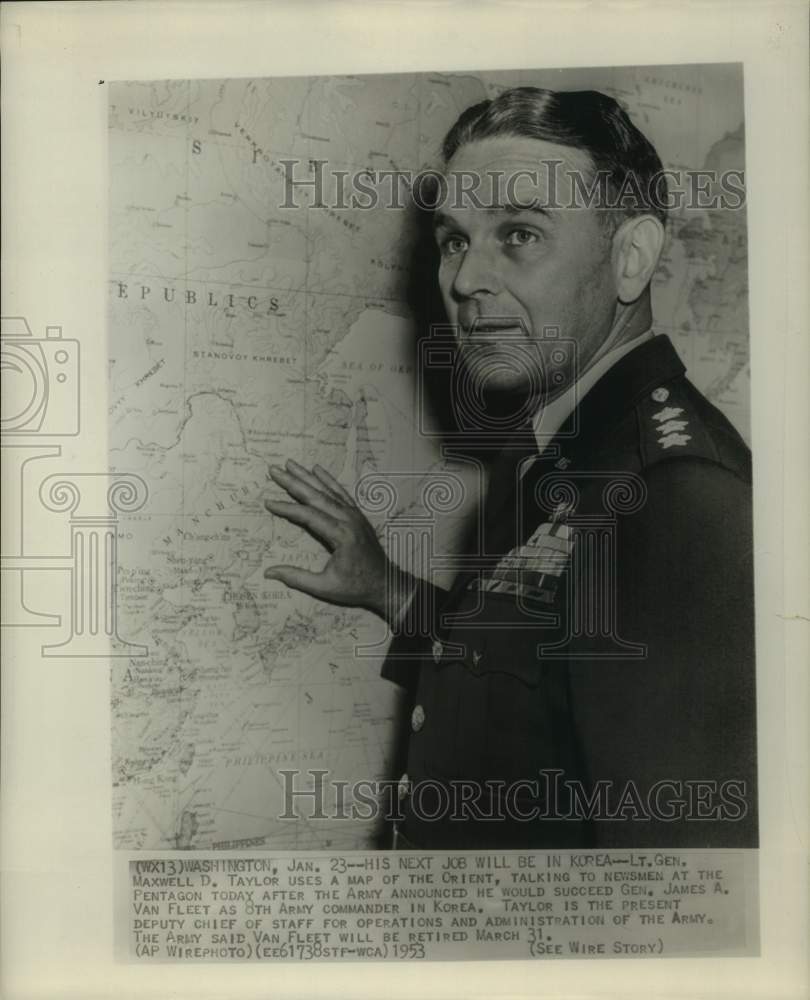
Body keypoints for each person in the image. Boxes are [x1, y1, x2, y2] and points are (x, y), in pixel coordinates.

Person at [263, 88, 757, 850]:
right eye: (456, 239)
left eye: (520, 233)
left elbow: (672, 901)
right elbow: (529, 665)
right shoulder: (559, 453)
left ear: (630, 259)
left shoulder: (679, 498)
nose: (465, 282)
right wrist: (388, 588)